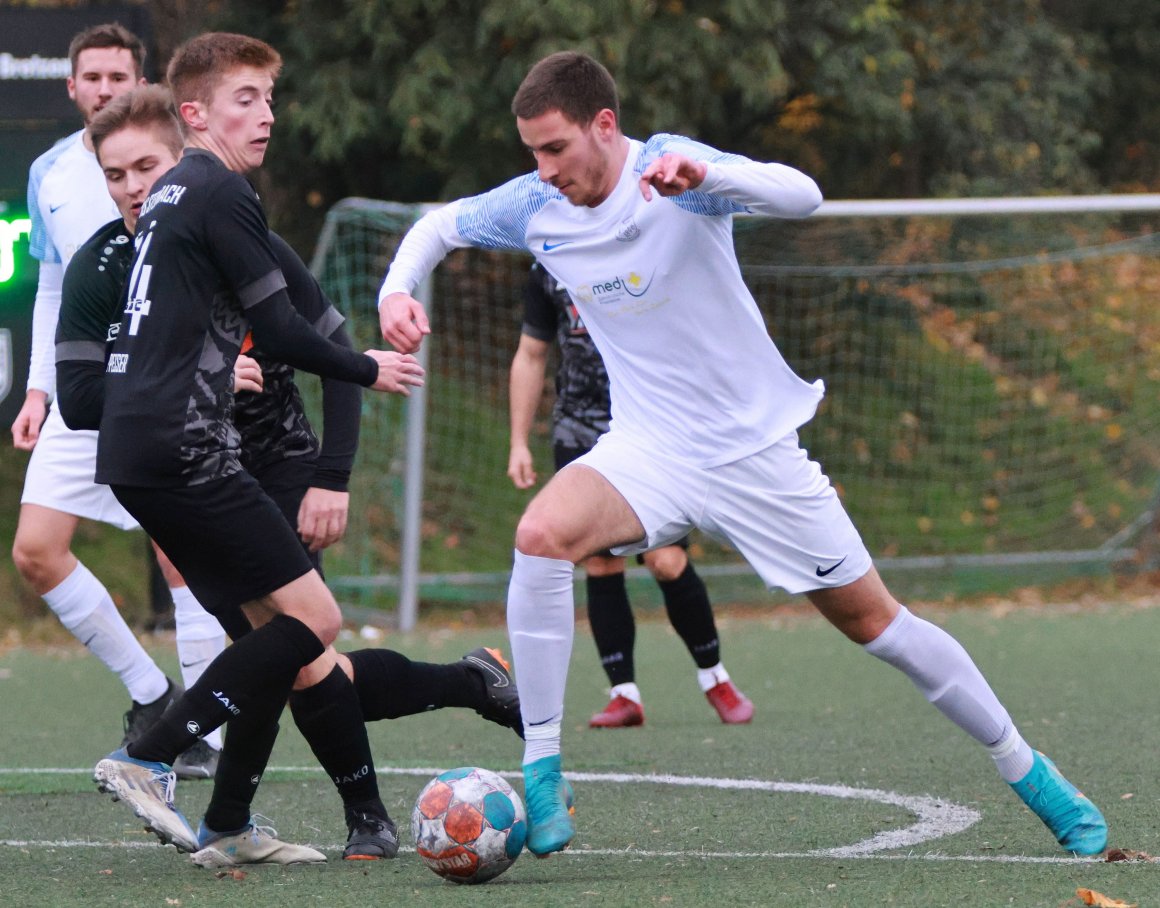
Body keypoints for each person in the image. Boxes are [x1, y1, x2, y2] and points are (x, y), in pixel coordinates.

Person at [378, 51, 1108, 859]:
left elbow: (805, 195)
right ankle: (544, 769)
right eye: (532, 153)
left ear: (604, 127)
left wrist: (714, 176)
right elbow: (437, 226)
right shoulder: (533, 206)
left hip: (753, 454)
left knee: (880, 626)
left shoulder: (675, 173)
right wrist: (395, 291)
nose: (543, 171)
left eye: (555, 149)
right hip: (649, 450)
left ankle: (1032, 771)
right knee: (540, 535)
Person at [62, 84, 521, 866]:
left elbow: (316, 341)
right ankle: (187, 774)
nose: (134, 187)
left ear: (177, 159)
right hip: (189, 459)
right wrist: (196, 386)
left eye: (146, 166)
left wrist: (332, 476)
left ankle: (279, 816)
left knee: (291, 647)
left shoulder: (218, 226)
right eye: (115, 173)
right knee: (299, 649)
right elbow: (83, 397)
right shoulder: (111, 261)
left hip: (270, 466)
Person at [9, 21, 221, 781]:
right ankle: (151, 692)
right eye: (91, 77)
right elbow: (55, 287)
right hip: (83, 385)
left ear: (142, 82)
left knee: (178, 551)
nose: (105, 88)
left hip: (165, 382)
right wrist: (38, 386)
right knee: (35, 550)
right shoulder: (51, 172)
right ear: (72, 88)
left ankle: (208, 726)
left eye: (117, 76)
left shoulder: (188, 166)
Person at [509, 262, 753, 727]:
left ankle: (715, 677)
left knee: (666, 560)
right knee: (600, 561)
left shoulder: (642, 250)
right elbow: (531, 352)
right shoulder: (549, 263)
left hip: (649, 428)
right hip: (578, 430)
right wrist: (519, 441)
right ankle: (624, 694)